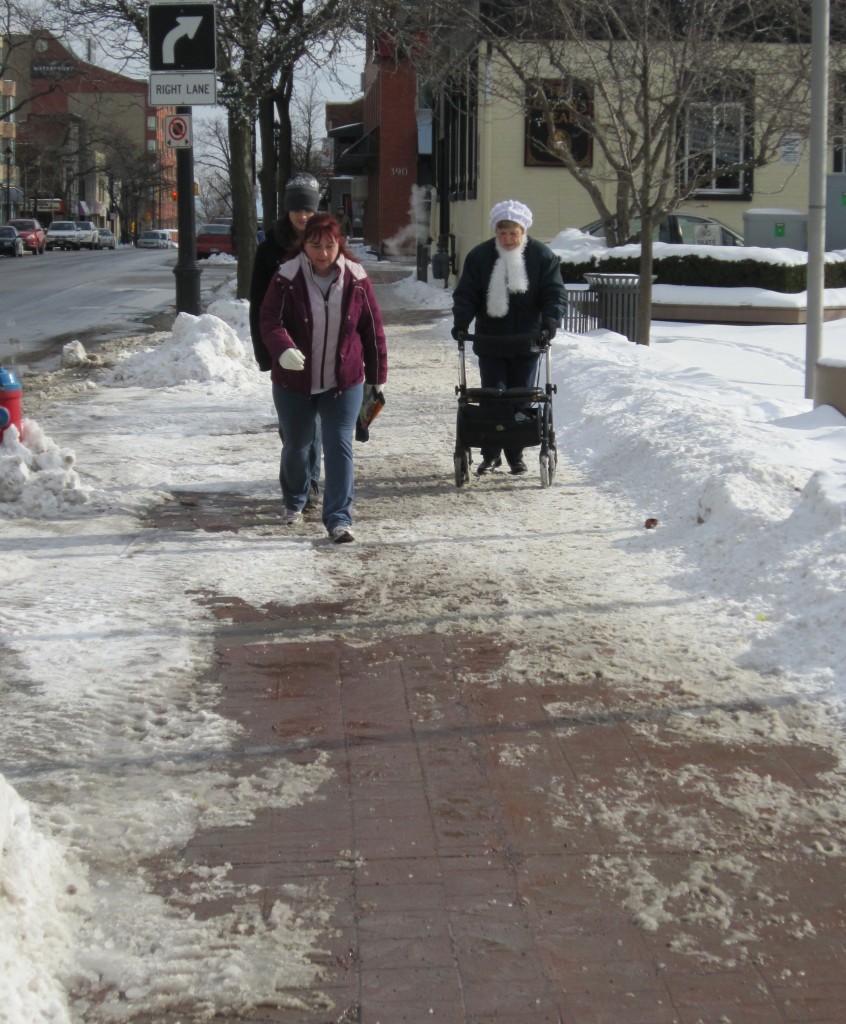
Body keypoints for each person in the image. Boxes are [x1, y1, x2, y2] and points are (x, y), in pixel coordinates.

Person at [260, 213, 388, 543]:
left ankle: (338, 519)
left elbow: (373, 331)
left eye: (329, 245)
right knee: (298, 446)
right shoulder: (286, 277)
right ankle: (294, 499)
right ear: (304, 246)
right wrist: (282, 348)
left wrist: (377, 377)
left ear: (339, 245)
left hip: (343, 381)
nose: (323, 252)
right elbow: (269, 320)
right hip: (294, 382)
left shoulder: (357, 279)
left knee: (339, 445)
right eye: (315, 245)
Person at [451, 199, 567, 475]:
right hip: (491, 341)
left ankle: (516, 454)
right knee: (494, 397)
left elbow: (554, 293)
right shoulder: (480, 257)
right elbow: (466, 294)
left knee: (520, 399)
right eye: (502, 233)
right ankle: (490, 454)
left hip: (527, 341)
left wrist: (551, 320)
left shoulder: (541, 256)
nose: (508, 239)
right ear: (495, 233)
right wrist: (461, 322)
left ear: (523, 231)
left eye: (513, 233)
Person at [249, 173, 323, 507]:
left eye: (307, 209)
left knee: (318, 422)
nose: (302, 215)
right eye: (296, 209)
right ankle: (299, 482)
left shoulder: (326, 243)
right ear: (287, 210)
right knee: (294, 428)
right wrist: (266, 354)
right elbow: (258, 305)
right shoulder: (270, 249)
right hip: (284, 347)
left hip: (321, 344)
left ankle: (311, 483)